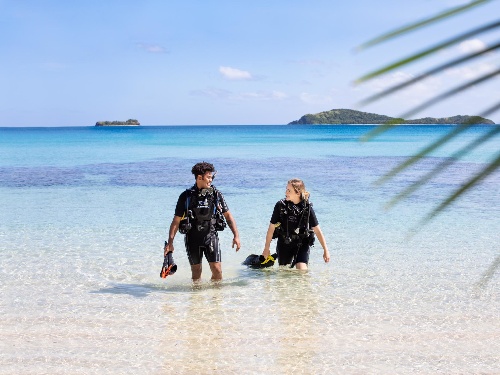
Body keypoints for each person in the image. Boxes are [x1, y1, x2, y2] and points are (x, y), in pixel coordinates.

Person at [164, 162, 241, 281]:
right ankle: (196, 298)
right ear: (200, 177)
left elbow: (228, 215)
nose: (211, 180)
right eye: (208, 177)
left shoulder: (216, 194)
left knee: (217, 270)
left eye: (211, 177)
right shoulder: (186, 196)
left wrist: (236, 235)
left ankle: (216, 297)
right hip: (192, 238)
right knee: (196, 272)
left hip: (210, 235)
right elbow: (176, 221)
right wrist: (170, 242)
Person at [262, 178, 330, 269]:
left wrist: (325, 250)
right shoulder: (280, 206)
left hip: (302, 243)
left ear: (298, 193)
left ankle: (303, 283)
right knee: (284, 272)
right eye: (286, 189)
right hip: (284, 242)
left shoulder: (307, 208)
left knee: (302, 270)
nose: (286, 192)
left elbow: (317, 230)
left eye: (289, 190)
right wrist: (266, 249)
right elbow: (271, 228)